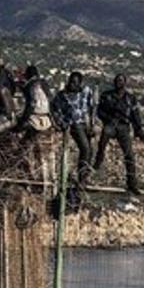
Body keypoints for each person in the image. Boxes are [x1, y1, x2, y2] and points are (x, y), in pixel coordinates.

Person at [94, 73, 144, 195]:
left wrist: (139, 130)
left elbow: (135, 116)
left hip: (124, 127)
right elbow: (99, 112)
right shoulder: (107, 96)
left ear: (125, 82)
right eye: (117, 80)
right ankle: (99, 159)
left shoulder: (130, 98)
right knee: (103, 140)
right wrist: (108, 119)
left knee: (129, 155)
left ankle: (132, 183)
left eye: (121, 80)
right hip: (111, 124)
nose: (119, 82)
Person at [52, 71, 96, 211]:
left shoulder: (86, 92)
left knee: (90, 150)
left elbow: (92, 105)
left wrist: (92, 123)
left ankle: (83, 174)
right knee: (85, 148)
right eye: (71, 82)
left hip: (85, 122)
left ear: (80, 83)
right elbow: (54, 108)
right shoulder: (62, 95)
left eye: (75, 83)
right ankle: (81, 177)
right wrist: (61, 122)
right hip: (73, 123)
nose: (72, 85)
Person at [15, 65, 53, 136]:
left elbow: (31, 104)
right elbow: (50, 98)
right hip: (47, 118)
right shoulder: (44, 83)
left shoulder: (30, 86)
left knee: (15, 125)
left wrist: (23, 121)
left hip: (35, 119)